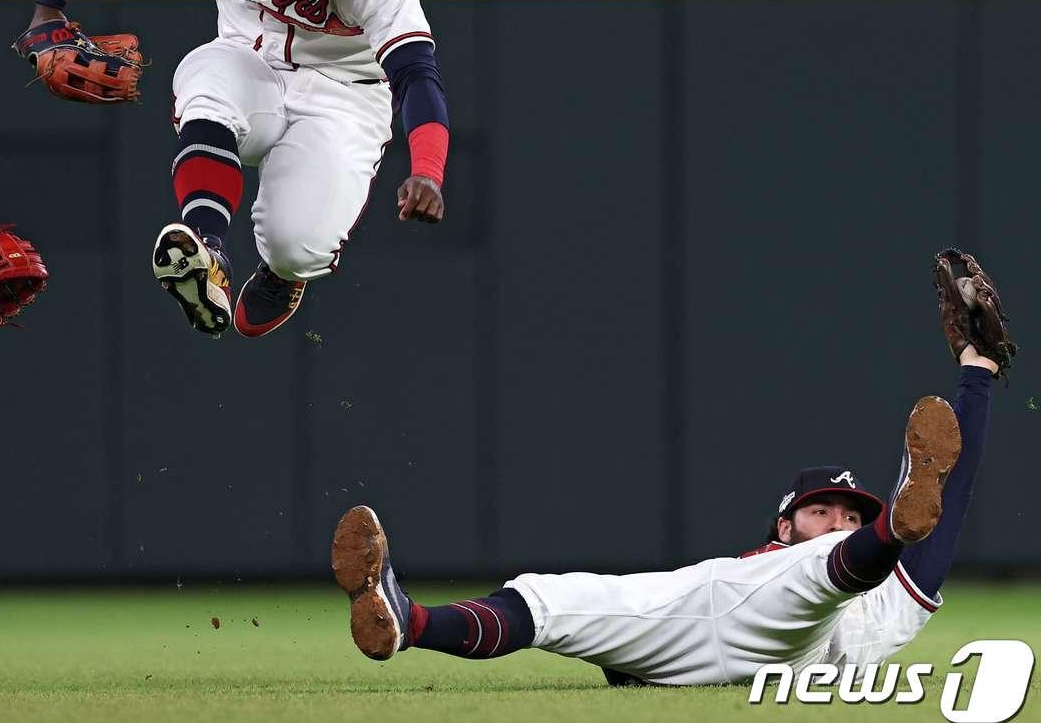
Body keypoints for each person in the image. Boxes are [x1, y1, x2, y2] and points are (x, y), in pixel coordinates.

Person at [331, 250, 1015, 685]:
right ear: (781, 522)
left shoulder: (858, 580)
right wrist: (977, 367)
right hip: (707, 618)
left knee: (831, 566)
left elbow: (948, 497)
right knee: (550, 600)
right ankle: (408, 619)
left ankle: (894, 521)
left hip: (805, 627)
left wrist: (973, 380)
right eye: (823, 510)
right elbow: (945, 500)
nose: (838, 517)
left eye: (849, 512)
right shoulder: (778, 572)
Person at [17, 0, 450, 338]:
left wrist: (427, 171)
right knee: (205, 84)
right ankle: (207, 247)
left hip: (345, 95)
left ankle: (281, 275)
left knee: (297, 246)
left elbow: (415, 73)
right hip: (249, 59)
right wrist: (48, 6)